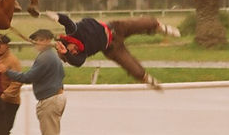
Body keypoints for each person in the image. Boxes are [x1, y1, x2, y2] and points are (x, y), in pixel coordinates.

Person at [0, 29, 74, 135]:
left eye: (37, 39)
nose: (35, 43)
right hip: (57, 96)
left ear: (44, 40)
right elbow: (60, 75)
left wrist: (6, 71)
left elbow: (28, 77)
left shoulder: (45, 57)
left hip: (50, 99)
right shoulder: (52, 56)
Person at [44, 11, 180, 89]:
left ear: (67, 42)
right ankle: (148, 80)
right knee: (130, 65)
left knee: (141, 24)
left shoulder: (72, 32)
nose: (75, 52)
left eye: (72, 51)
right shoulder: (81, 54)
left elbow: (67, 21)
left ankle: (160, 27)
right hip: (112, 48)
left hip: (115, 28)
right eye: (73, 54)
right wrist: (66, 53)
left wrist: (56, 17)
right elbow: (78, 62)